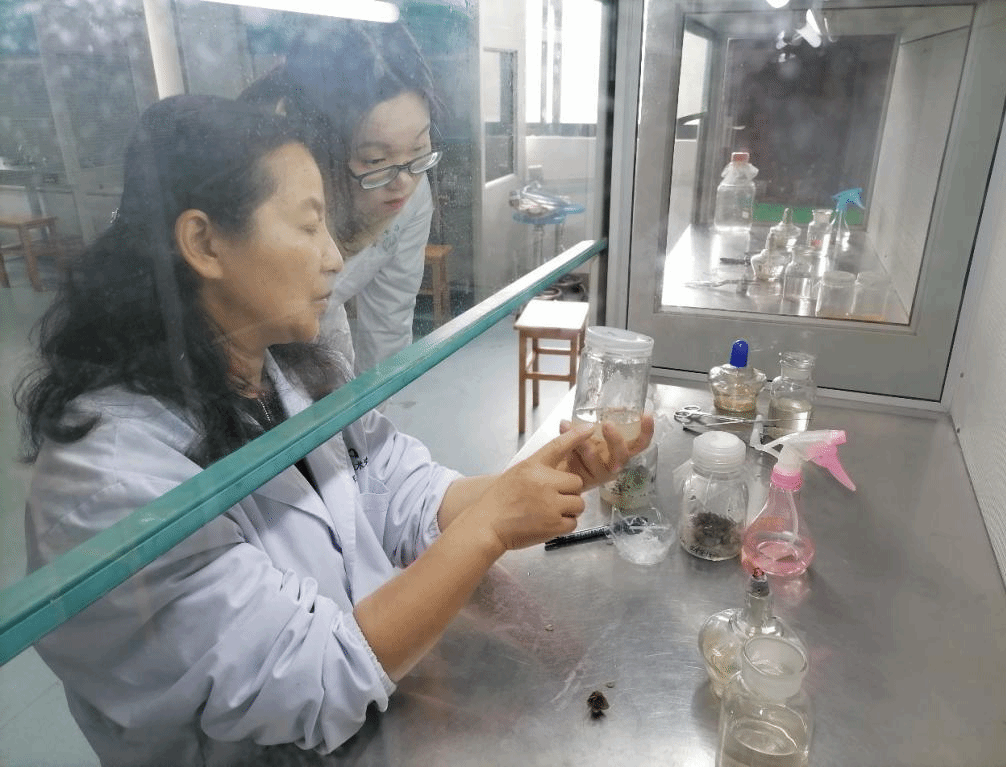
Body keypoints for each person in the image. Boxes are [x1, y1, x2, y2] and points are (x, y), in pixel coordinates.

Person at [16, 95, 653, 766]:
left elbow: (396, 488)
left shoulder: (280, 373)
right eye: (307, 225)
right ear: (204, 243)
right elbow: (313, 680)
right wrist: (490, 527)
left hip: (374, 711)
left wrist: (535, 482)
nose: (332, 258)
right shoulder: (110, 480)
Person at [240, 19, 441, 375]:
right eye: (375, 160)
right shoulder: (268, 194)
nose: (403, 182)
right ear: (318, 148)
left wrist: (375, 404)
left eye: (419, 148)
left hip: (321, 322)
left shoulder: (411, 188)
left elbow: (389, 321)